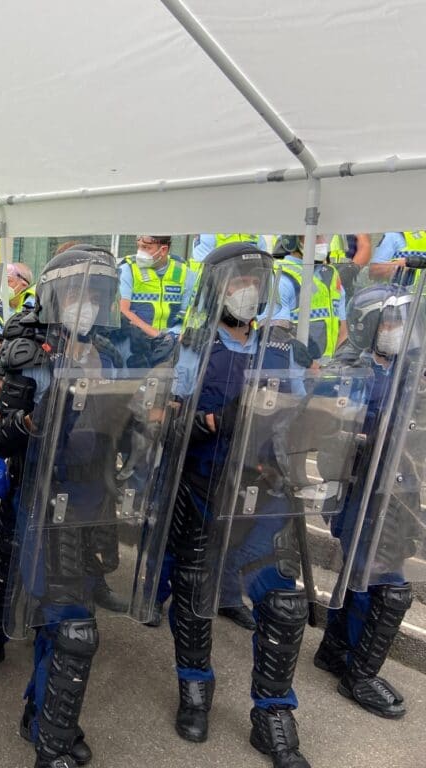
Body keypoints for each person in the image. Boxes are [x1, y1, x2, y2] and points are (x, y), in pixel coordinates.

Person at [0, 245, 175, 767]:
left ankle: (43, 710)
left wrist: (150, 417)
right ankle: (51, 741)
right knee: (73, 627)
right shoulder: (30, 356)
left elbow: (126, 421)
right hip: (43, 504)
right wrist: (26, 424)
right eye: (74, 292)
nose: (85, 303)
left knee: (65, 621)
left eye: (95, 293)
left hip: (95, 504)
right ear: (52, 296)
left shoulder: (112, 355)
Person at [157, 243, 316, 768]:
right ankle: (195, 690)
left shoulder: (280, 349)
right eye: (234, 283)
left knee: (284, 605)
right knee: (195, 597)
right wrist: (207, 422)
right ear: (216, 289)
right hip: (206, 488)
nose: (244, 292)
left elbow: (297, 412)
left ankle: (272, 714)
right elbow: (166, 421)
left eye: (252, 282)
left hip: (265, 491)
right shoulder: (193, 346)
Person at [313, 284, 418, 719]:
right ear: (367, 325)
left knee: (369, 574)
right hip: (359, 489)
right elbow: (327, 433)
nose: (397, 330)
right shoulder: (348, 372)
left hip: (399, 492)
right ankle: (359, 674)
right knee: (382, 582)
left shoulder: (409, 369)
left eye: (402, 319)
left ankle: (336, 651)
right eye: (389, 321)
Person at [270, 235, 347, 360]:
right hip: (295, 371)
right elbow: (275, 336)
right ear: (292, 241)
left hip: (328, 371)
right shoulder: (282, 278)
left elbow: (343, 328)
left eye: (324, 237)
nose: (323, 243)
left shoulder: (331, 275)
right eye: (316, 237)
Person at [118, 235, 197, 339]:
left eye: (146, 248)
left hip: (172, 341)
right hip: (134, 339)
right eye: (139, 247)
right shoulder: (127, 270)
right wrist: (158, 335)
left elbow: (188, 314)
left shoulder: (184, 273)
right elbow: (123, 310)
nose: (140, 252)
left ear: (163, 250)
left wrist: (174, 334)